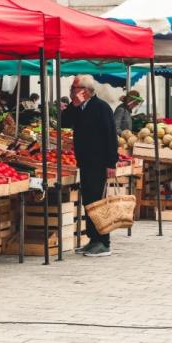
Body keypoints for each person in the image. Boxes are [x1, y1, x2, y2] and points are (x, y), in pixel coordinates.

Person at [62, 75, 117, 257]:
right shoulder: (79, 108)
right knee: (88, 202)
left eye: (74, 88)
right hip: (85, 161)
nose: (71, 91)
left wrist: (111, 162)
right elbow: (64, 122)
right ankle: (93, 239)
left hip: (99, 162)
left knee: (97, 202)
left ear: (85, 91)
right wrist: (73, 105)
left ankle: (103, 241)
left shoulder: (101, 108)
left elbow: (110, 136)